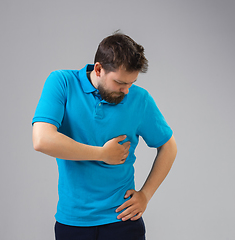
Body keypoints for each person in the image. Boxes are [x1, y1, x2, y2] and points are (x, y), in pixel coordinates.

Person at [32, 32, 177, 240]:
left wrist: (145, 195)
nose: (126, 91)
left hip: (123, 222)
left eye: (131, 83)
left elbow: (169, 147)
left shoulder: (140, 99)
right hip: (73, 222)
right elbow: (41, 140)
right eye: (120, 83)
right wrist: (102, 154)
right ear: (98, 69)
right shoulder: (62, 82)